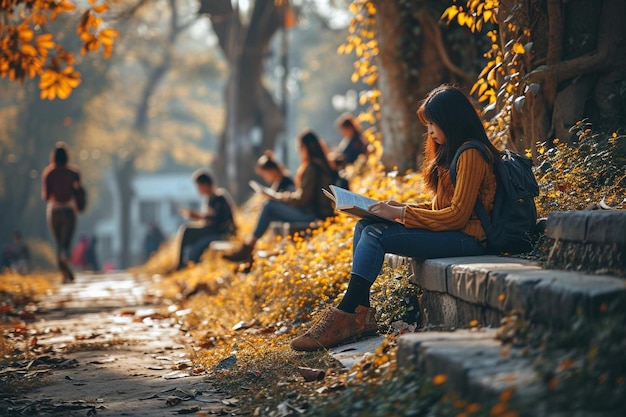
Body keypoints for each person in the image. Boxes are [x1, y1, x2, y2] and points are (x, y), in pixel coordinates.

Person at [290, 85, 500, 351]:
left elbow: (457, 216)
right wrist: (397, 207)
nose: (430, 131)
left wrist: (401, 214)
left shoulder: (471, 153)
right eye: (428, 124)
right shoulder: (453, 152)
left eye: (433, 123)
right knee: (366, 223)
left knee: (377, 234)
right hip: (455, 233)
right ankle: (360, 314)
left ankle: (346, 314)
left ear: (452, 120)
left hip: (471, 239)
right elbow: (442, 208)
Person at [224, 130, 337, 265]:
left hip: (313, 216)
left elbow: (302, 200)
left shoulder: (313, 168)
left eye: (299, 148)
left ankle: (248, 248)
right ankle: (250, 253)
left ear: (305, 148)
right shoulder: (323, 165)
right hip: (318, 213)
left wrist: (277, 198)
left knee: (270, 207)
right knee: (269, 210)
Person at [177, 169, 236, 270]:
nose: (198, 189)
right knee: (187, 231)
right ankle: (183, 263)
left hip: (221, 233)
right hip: (211, 231)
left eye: (198, 186)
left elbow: (218, 221)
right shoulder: (209, 199)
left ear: (205, 184)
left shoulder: (219, 198)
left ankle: (182, 265)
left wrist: (199, 216)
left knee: (188, 231)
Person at [42, 142, 83, 283]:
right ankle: (67, 270)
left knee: (58, 242)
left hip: (54, 210)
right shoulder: (74, 173)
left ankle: (65, 274)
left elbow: (46, 196)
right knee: (66, 242)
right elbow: (78, 192)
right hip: (69, 211)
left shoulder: (49, 173)